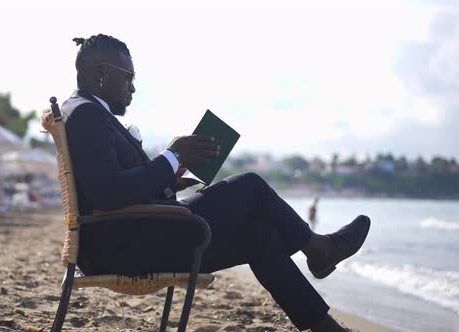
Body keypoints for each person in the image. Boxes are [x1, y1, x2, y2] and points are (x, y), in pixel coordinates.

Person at [61, 34, 371, 332]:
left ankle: (324, 324)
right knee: (251, 185)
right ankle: (318, 249)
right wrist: (171, 157)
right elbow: (107, 193)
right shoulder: (87, 114)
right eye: (128, 78)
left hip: (131, 237)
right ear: (101, 73)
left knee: (258, 236)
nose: (133, 88)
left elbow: (112, 186)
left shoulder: (86, 112)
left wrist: (170, 182)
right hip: (124, 248)